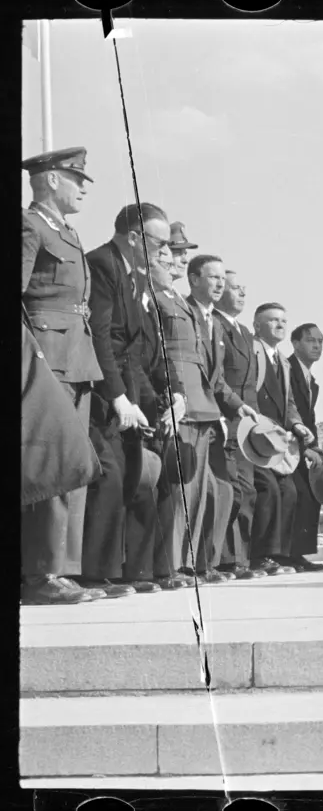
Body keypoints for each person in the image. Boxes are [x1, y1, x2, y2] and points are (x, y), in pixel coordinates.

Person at [20, 147, 108, 606]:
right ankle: (39, 574)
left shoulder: (67, 231)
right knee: (50, 466)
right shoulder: (29, 225)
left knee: (72, 467)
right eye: (76, 178)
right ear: (51, 180)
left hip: (76, 357)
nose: (83, 187)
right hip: (46, 356)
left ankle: (64, 570)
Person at [79, 203, 178, 597]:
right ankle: (96, 573)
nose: (164, 251)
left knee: (133, 475)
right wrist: (117, 396)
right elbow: (101, 336)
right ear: (136, 237)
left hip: (128, 387)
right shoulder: (103, 264)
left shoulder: (133, 275)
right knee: (112, 476)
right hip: (104, 389)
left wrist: (142, 400)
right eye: (160, 242)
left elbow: (135, 349)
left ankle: (126, 571)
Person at [154, 254, 257, 584]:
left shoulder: (211, 320)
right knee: (187, 493)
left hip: (211, 414)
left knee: (218, 492)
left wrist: (238, 405)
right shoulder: (184, 311)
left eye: (221, 280)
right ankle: (175, 566)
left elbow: (215, 377)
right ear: (193, 279)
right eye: (212, 278)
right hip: (188, 412)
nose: (219, 284)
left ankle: (201, 563)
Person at [248, 302, 320, 572]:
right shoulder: (251, 352)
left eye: (283, 321)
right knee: (267, 490)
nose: (279, 325)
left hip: (279, 441)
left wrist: (298, 424)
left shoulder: (283, 363)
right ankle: (259, 555)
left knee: (289, 492)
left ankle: (279, 554)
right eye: (273, 321)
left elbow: (289, 403)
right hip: (255, 436)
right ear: (257, 326)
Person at [213, 270, 273, 579]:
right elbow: (217, 376)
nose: (241, 294)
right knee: (234, 489)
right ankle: (226, 559)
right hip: (226, 417)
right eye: (235, 288)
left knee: (247, 491)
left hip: (246, 424)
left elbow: (250, 384)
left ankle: (242, 559)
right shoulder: (215, 324)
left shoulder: (246, 333)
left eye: (243, 289)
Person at [288, 323, 323, 561]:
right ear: (295, 343)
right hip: (287, 443)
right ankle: (290, 554)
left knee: (313, 492)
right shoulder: (287, 369)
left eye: (320, 341)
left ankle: (300, 554)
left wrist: (314, 447)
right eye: (311, 340)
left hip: (305, 445)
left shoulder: (311, 380)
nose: (317, 345)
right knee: (297, 495)